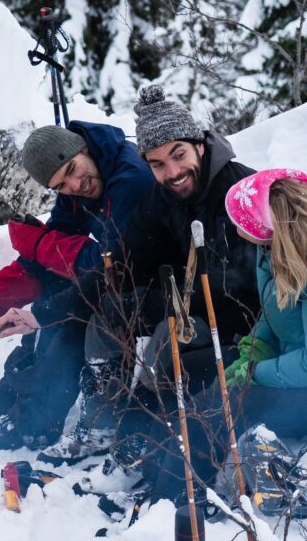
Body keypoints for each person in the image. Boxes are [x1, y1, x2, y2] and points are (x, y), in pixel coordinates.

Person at [51, 86, 262, 465]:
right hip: (192, 305)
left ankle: (150, 430)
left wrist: (163, 304)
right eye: (158, 164)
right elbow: (127, 259)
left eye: (178, 155)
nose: (173, 172)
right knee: (111, 313)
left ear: (198, 144)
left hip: (244, 327)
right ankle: (103, 416)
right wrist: (49, 310)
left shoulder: (239, 192)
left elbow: (237, 288)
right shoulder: (165, 198)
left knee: (171, 337)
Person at [0, 119, 156, 450]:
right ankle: (12, 394)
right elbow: (49, 258)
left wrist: (40, 246)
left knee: (70, 320)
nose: (75, 184)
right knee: (57, 289)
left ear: (82, 149)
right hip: (123, 276)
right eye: (61, 185)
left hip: (158, 282)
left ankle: (33, 424)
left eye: (73, 169)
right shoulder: (80, 184)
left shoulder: (131, 180)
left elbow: (110, 263)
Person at [145, 170, 307, 506]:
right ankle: (151, 472)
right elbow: (275, 315)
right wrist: (253, 350)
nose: (236, 230)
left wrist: (253, 374)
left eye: (241, 222)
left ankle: (173, 503)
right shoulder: (272, 251)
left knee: (216, 407)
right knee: (188, 371)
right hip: (288, 370)